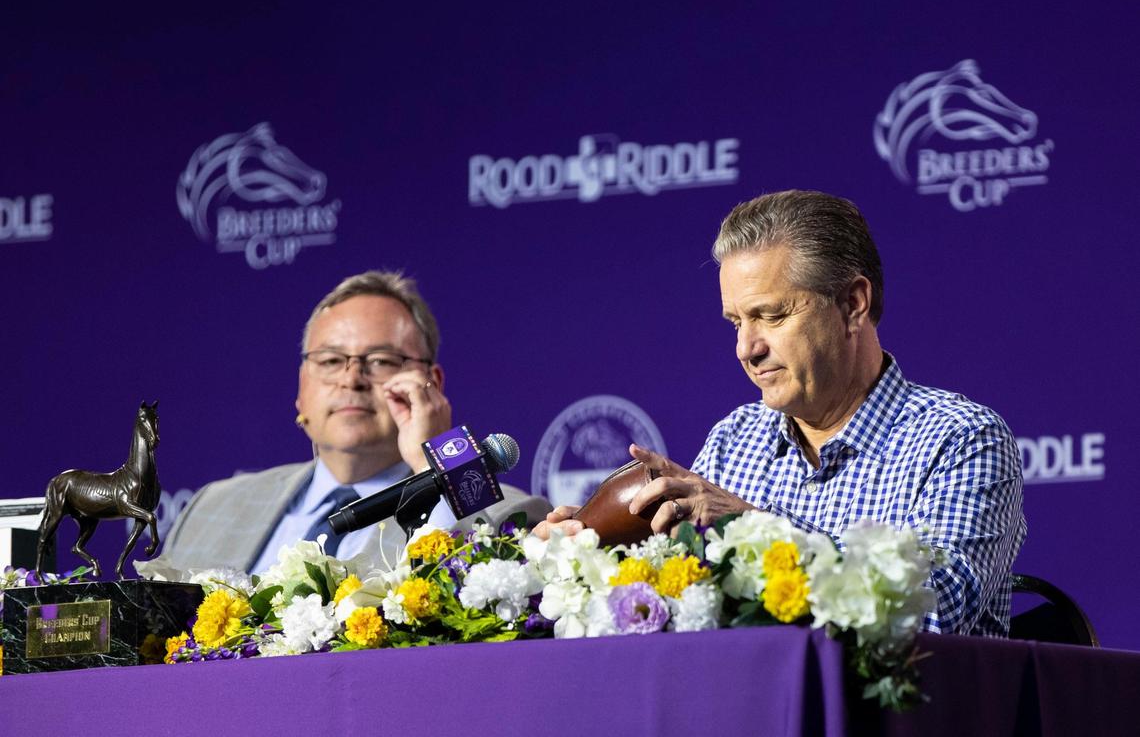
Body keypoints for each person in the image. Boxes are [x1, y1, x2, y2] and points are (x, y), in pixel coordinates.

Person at [538, 190, 1026, 636]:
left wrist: (757, 531)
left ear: (853, 304)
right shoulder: (734, 439)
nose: (746, 349)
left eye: (771, 316)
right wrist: (597, 561)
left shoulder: (961, 439)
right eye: (736, 322)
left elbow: (932, 614)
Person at [153, 270, 550, 574]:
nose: (351, 379)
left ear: (433, 385)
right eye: (329, 361)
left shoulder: (508, 516)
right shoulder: (211, 508)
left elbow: (483, 593)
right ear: (302, 387)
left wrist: (436, 459)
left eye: (380, 361)